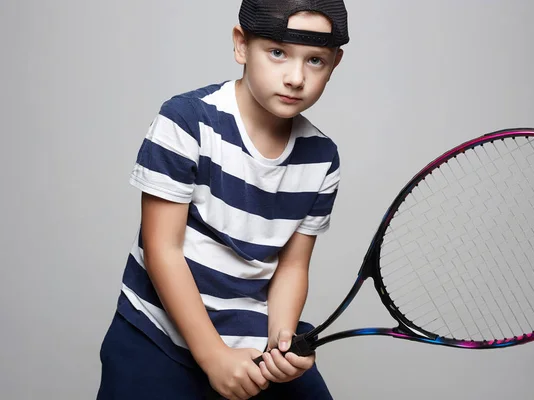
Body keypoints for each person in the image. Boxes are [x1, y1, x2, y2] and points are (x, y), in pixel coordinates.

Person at [97, 1, 349, 399]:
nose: (296, 77)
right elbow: (162, 249)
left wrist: (281, 345)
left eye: (315, 60)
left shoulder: (322, 158)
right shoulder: (186, 122)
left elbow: (292, 268)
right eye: (278, 52)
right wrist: (213, 355)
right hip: (159, 339)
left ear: (334, 63)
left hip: (252, 342)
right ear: (240, 45)